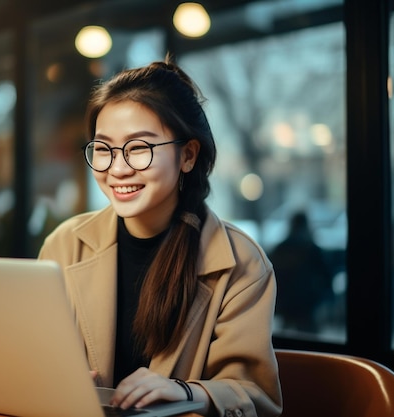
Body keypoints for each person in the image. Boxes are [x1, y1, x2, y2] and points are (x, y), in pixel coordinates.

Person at [38, 57, 282, 417]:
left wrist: (184, 392)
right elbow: (35, 356)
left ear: (188, 155)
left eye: (138, 148)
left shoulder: (242, 263)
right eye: (103, 149)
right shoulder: (64, 244)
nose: (117, 169)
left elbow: (256, 395)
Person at [269, 211, 332, 333]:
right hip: (306, 303)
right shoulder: (312, 249)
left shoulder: (280, 249)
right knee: (309, 340)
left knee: (287, 340)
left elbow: (270, 276)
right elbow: (326, 276)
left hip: (285, 302)